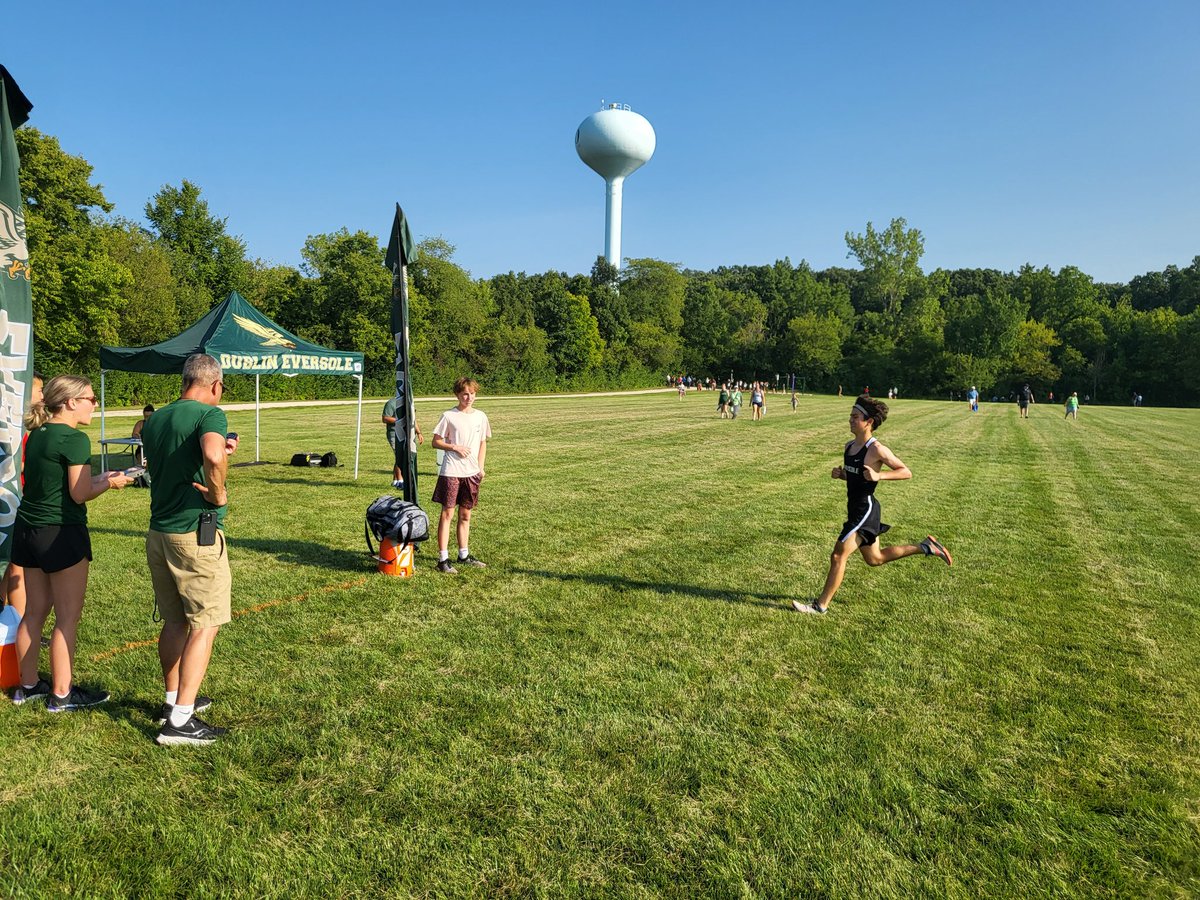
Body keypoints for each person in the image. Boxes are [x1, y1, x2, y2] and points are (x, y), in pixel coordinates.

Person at [10, 376, 132, 708]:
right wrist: (111, 484)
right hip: (61, 532)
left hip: (29, 529)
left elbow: (59, 485)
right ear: (70, 402)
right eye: (91, 399)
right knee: (67, 617)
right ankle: (62, 694)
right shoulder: (74, 439)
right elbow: (79, 494)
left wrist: (100, 478)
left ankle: (28, 685)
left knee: (33, 613)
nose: (96, 404)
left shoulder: (37, 435)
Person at [142, 354, 240, 746]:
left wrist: (213, 457)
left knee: (174, 621)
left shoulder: (157, 418)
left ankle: (173, 702)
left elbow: (185, 457)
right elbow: (213, 454)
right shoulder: (210, 415)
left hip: (159, 530)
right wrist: (218, 492)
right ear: (215, 386)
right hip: (194, 533)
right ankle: (181, 721)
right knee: (205, 622)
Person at [793, 396, 952, 615]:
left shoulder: (877, 449)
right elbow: (858, 477)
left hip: (865, 510)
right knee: (875, 559)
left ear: (869, 422)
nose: (850, 420)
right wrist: (842, 475)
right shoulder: (849, 447)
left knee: (839, 555)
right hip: (855, 508)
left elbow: (906, 472)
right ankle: (926, 547)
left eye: (855, 417)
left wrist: (879, 475)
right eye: (850, 416)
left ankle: (820, 606)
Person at [431, 377, 491, 574]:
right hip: (452, 472)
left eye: (472, 393)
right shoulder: (449, 416)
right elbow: (436, 442)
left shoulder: (481, 416)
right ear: (458, 395)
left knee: (465, 514)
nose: (469, 397)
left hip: (471, 473)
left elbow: (483, 443)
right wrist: (454, 446)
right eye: (465, 394)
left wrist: (480, 468)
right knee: (447, 513)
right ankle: (443, 559)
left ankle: (463, 555)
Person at [2, 370, 43, 617]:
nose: (43, 395)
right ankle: (18, 624)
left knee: (13, 568)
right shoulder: (15, 431)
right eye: (39, 390)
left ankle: (15, 621)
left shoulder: (27, 428)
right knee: (14, 567)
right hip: (13, 501)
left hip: (20, 500)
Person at [382, 396, 423, 488]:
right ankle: (400, 481)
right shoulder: (391, 403)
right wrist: (401, 420)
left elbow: (413, 419)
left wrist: (419, 433)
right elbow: (385, 418)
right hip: (394, 433)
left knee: (402, 455)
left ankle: (395, 480)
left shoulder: (409, 403)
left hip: (407, 434)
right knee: (400, 455)